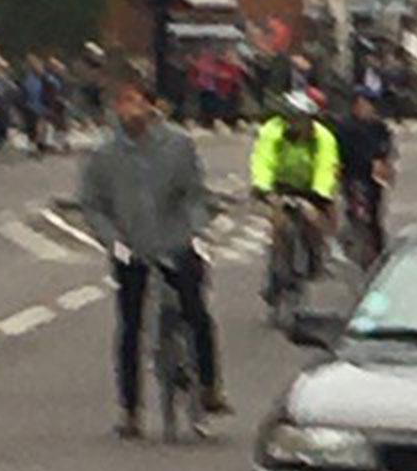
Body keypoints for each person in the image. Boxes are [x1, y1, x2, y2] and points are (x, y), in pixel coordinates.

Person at [79, 75, 226, 439]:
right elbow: (94, 206)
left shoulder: (177, 145)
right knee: (130, 325)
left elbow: (195, 194)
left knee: (196, 311)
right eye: (124, 102)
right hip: (131, 248)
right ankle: (130, 409)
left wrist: (194, 230)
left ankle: (209, 387)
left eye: (137, 101)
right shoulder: (104, 155)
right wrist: (114, 242)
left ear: (151, 105)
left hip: (175, 242)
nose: (130, 109)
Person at [249, 88, 341, 291]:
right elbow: (263, 160)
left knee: (314, 220)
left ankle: (318, 256)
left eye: (303, 119)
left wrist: (320, 194)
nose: (297, 124)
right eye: (292, 119)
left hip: (310, 187)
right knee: (280, 224)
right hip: (281, 185)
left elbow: (325, 167)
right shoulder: (272, 131)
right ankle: (277, 270)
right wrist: (263, 188)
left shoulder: (324, 138)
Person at [334, 87, 396, 264]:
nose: (369, 108)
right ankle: (352, 237)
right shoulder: (344, 126)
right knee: (354, 206)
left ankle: (378, 251)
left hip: (372, 177)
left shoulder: (379, 127)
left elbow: (385, 149)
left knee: (374, 213)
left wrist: (384, 166)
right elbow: (337, 151)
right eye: (365, 103)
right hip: (351, 173)